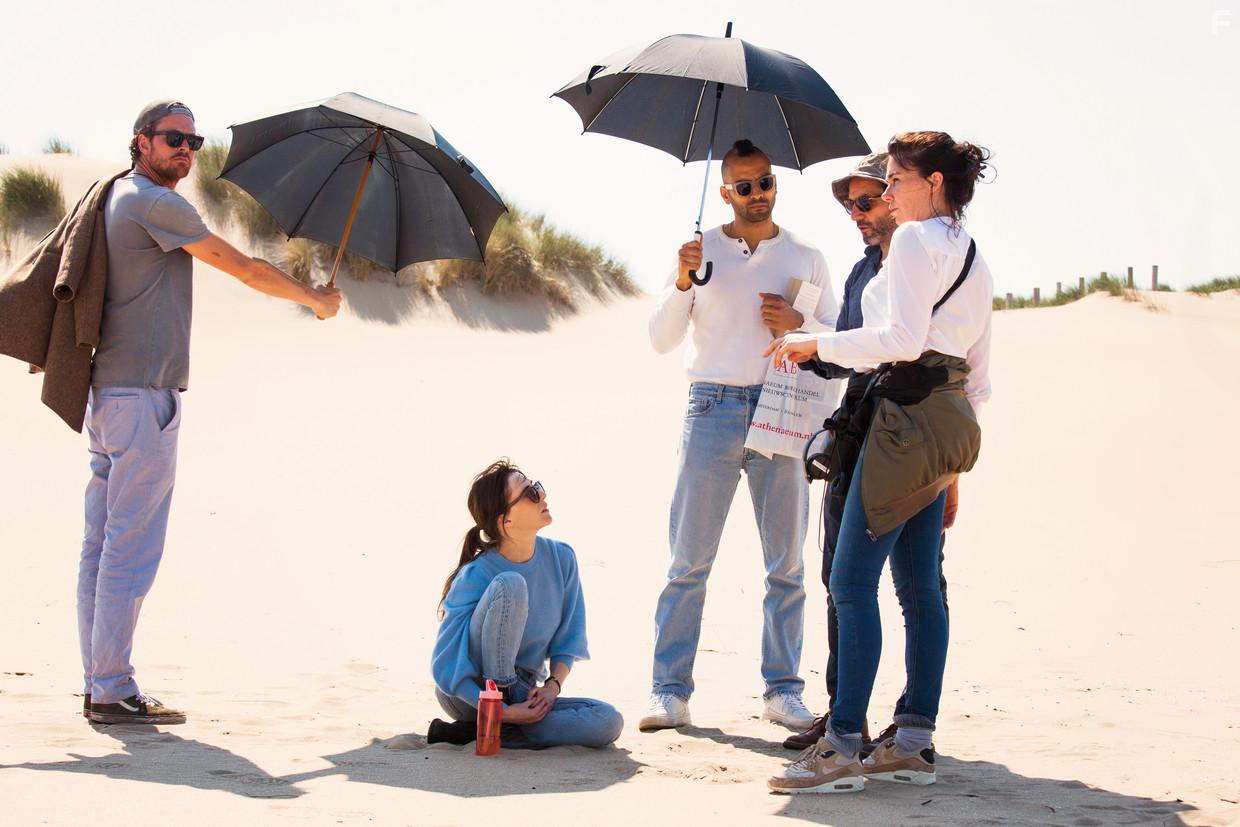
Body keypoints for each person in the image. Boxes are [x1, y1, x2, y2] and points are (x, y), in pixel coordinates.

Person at [80, 100, 342, 726]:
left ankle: (100, 681)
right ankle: (111, 687)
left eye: (194, 141)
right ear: (140, 141)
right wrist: (314, 299)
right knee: (128, 549)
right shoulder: (154, 202)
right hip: (142, 399)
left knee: (101, 546)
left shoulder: (115, 195)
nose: (187, 150)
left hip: (110, 397)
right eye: (173, 138)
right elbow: (243, 267)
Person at [766, 131, 993, 793]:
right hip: (948, 422)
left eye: (897, 180)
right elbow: (979, 379)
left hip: (901, 425)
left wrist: (814, 343)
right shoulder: (974, 255)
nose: (887, 194)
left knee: (850, 581)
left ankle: (839, 746)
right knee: (921, 589)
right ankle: (915, 739)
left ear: (936, 185)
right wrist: (949, 467)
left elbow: (900, 340)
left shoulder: (917, 242)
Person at [640, 139, 839, 733]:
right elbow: (660, 339)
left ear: (776, 184)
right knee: (688, 560)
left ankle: (783, 691)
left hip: (783, 408)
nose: (758, 195)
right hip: (713, 406)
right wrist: (681, 280)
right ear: (725, 192)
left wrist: (798, 322)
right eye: (745, 186)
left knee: (787, 563)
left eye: (766, 182)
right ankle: (668, 691)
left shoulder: (806, 255)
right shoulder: (701, 253)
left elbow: (840, 337)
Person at [783, 153, 954, 754]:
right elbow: (848, 358)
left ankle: (881, 729)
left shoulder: (928, 260)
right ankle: (842, 710)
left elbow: (920, 359)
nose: (855, 214)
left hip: (907, 439)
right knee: (841, 579)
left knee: (909, 585)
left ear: (895, 195)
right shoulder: (860, 273)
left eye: (865, 201)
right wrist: (811, 344)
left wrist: (951, 471)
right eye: (847, 205)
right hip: (857, 437)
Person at [430, 460, 623, 749]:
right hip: (470, 695)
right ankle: (496, 720)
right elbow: (446, 667)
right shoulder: (477, 574)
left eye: (537, 486)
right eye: (530, 493)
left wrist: (552, 689)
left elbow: (567, 642)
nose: (542, 495)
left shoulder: (562, 559)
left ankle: (481, 732)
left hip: (525, 691)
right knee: (511, 585)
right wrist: (502, 709)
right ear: (504, 520)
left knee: (608, 721)